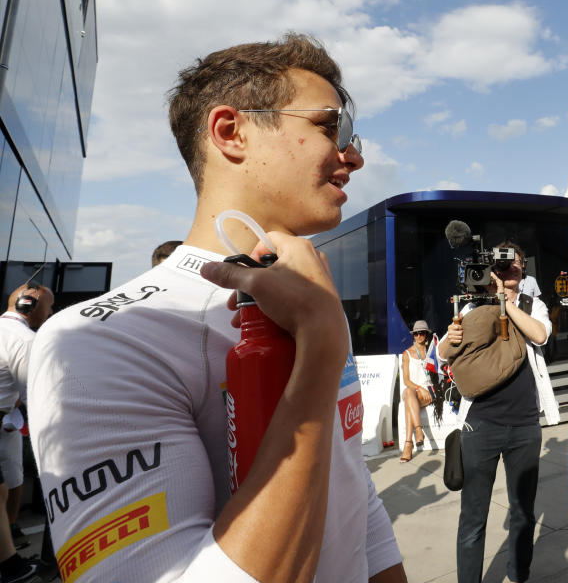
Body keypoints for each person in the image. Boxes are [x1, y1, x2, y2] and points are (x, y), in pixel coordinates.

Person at [27, 34, 405, 582]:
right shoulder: (96, 340)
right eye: (331, 127)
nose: (355, 156)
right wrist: (321, 349)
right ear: (231, 132)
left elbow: (352, 495)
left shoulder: (311, 304)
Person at [438, 242, 559, 583]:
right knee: (473, 517)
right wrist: (450, 336)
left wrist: (506, 302)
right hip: (481, 424)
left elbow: (539, 335)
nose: (510, 271)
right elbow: (445, 354)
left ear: (523, 270)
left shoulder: (532, 304)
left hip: (524, 426)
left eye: (516, 265)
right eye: (503, 266)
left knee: (523, 513)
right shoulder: (473, 304)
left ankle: (518, 574)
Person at [1, 283, 54, 582]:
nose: (50, 312)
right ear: (27, 305)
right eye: (48, 306)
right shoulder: (24, 339)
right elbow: (35, 397)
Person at [399, 320, 433, 462]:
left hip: (428, 392)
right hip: (415, 390)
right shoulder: (407, 354)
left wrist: (426, 389)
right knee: (408, 392)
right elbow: (406, 380)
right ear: (413, 335)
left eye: (422, 333)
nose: (419, 336)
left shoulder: (431, 351)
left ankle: (409, 444)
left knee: (408, 397)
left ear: (426, 334)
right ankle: (418, 430)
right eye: (416, 333)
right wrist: (419, 388)